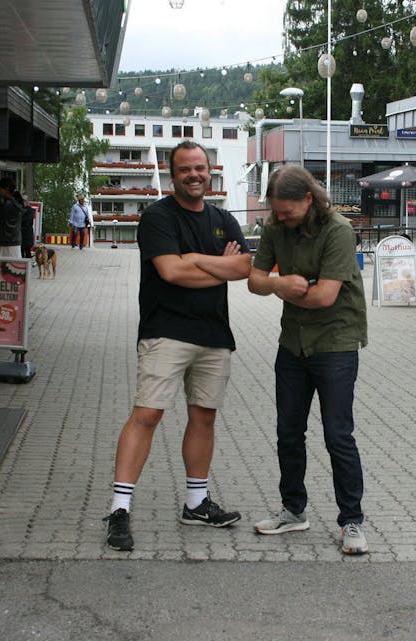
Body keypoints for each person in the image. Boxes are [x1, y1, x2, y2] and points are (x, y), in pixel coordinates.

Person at [103, 141, 252, 552]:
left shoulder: (224, 219)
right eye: (185, 169)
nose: (194, 175)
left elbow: (243, 268)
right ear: (173, 175)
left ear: (210, 172)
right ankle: (120, 510)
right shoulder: (156, 218)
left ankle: (196, 503)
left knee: (204, 418)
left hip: (214, 335)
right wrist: (215, 266)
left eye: (200, 168)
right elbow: (169, 272)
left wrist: (195, 260)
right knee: (147, 414)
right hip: (165, 331)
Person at [247, 165, 369, 555]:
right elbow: (254, 280)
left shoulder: (338, 231)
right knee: (288, 432)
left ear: (308, 199)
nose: (280, 219)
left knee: (338, 435)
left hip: (335, 342)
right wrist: (280, 283)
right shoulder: (274, 227)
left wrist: (277, 288)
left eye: (287, 212)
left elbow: (323, 298)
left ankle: (351, 521)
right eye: (276, 212)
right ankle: (293, 511)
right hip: (293, 344)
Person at [0, 177, 23, 258]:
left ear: (6, 189)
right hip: (14, 241)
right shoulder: (15, 203)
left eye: (0, 189)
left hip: (6, 241)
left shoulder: (7, 205)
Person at [16, 191, 36, 258]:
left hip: (26, 235)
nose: (23, 202)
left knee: (27, 252)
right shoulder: (21, 209)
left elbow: (26, 222)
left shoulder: (29, 210)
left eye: (24, 201)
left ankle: (27, 266)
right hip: (24, 235)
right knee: (23, 252)